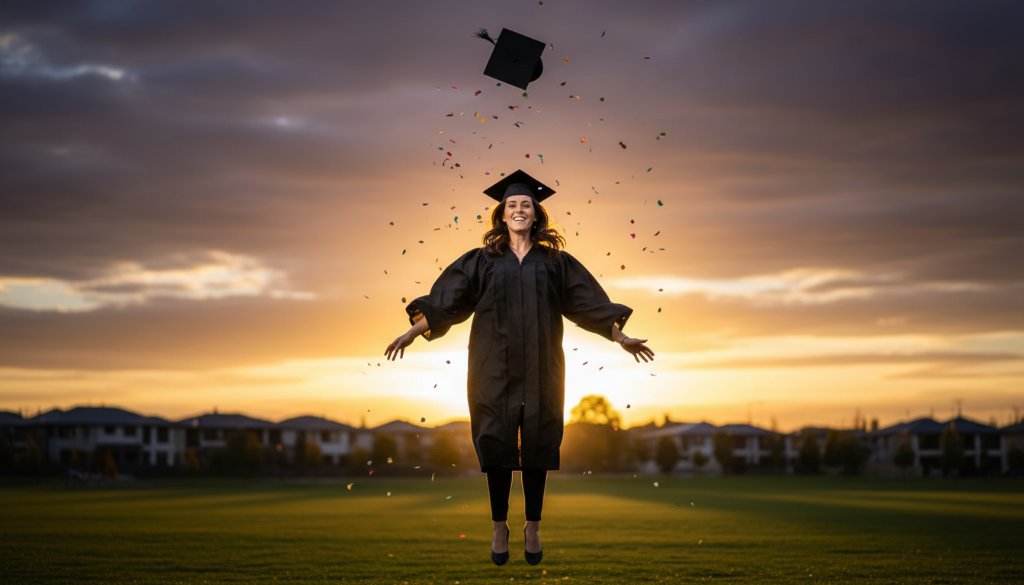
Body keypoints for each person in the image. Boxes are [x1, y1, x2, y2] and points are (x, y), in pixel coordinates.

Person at [385, 170, 654, 566]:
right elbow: (449, 301)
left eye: (525, 204)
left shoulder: (556, 263)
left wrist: (619, 337)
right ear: (502, 214)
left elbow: (587, 304)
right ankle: (498, 526)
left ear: (536, 213)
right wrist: (413, 332)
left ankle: (532, 525)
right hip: (493, 366)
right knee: (495, 443)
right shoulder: (482, 261)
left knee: (537, 444)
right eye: (512, 205)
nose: (518, 210)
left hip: (542, 367)